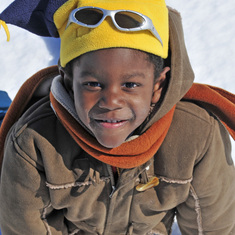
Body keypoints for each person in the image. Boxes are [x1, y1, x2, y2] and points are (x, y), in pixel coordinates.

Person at [0, 0, 234, 234]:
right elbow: (24, 226)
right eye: (93, 84)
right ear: (70, 82)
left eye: (130, 84)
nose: (111, 102)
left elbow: (213, 226)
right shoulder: (34, 141)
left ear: (157, 85)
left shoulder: (197, 137)